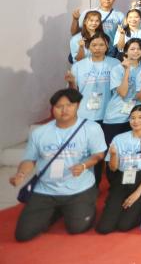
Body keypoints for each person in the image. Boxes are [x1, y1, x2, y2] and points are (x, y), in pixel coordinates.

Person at [11, 88, 106, 242]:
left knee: (77, 228)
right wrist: (21, 174)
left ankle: (85, 204)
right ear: (52, 109)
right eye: (59, 106)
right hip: (46, 189)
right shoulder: (40, 133)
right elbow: (30, 159)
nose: (64, 110)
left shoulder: (91, 128)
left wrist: (84, 165)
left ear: (77, 106)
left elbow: (99, 154)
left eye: (69, 105)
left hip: (78, 188)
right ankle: (56, 210)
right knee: (23, 234)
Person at [96, 104, 141, 233]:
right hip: (122, 177)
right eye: (133, 118)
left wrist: (138, 192)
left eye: (140, 117)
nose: (136, 121)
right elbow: (113, 168)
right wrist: (114, 155)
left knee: (124, 225)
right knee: (104, 228)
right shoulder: (119, 139)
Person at [66, 33, 120, 127]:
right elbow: (73, 93)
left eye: (101, 45)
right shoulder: (78, 66)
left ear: (107, 46)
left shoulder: (115, 64)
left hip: (108, 114)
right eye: (94, 45)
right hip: (85, 114)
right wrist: (71, 82)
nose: (97, 48)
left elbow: (119, 91)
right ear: (88, 47)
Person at [102, 38, 141, 146]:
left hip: (136, 119)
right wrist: (127, 70)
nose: (136, 51)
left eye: (139, 49)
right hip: (117, 117)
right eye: (132, 49)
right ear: (126, 51)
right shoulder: (117, 69)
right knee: (114, 151)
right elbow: (123, 93)